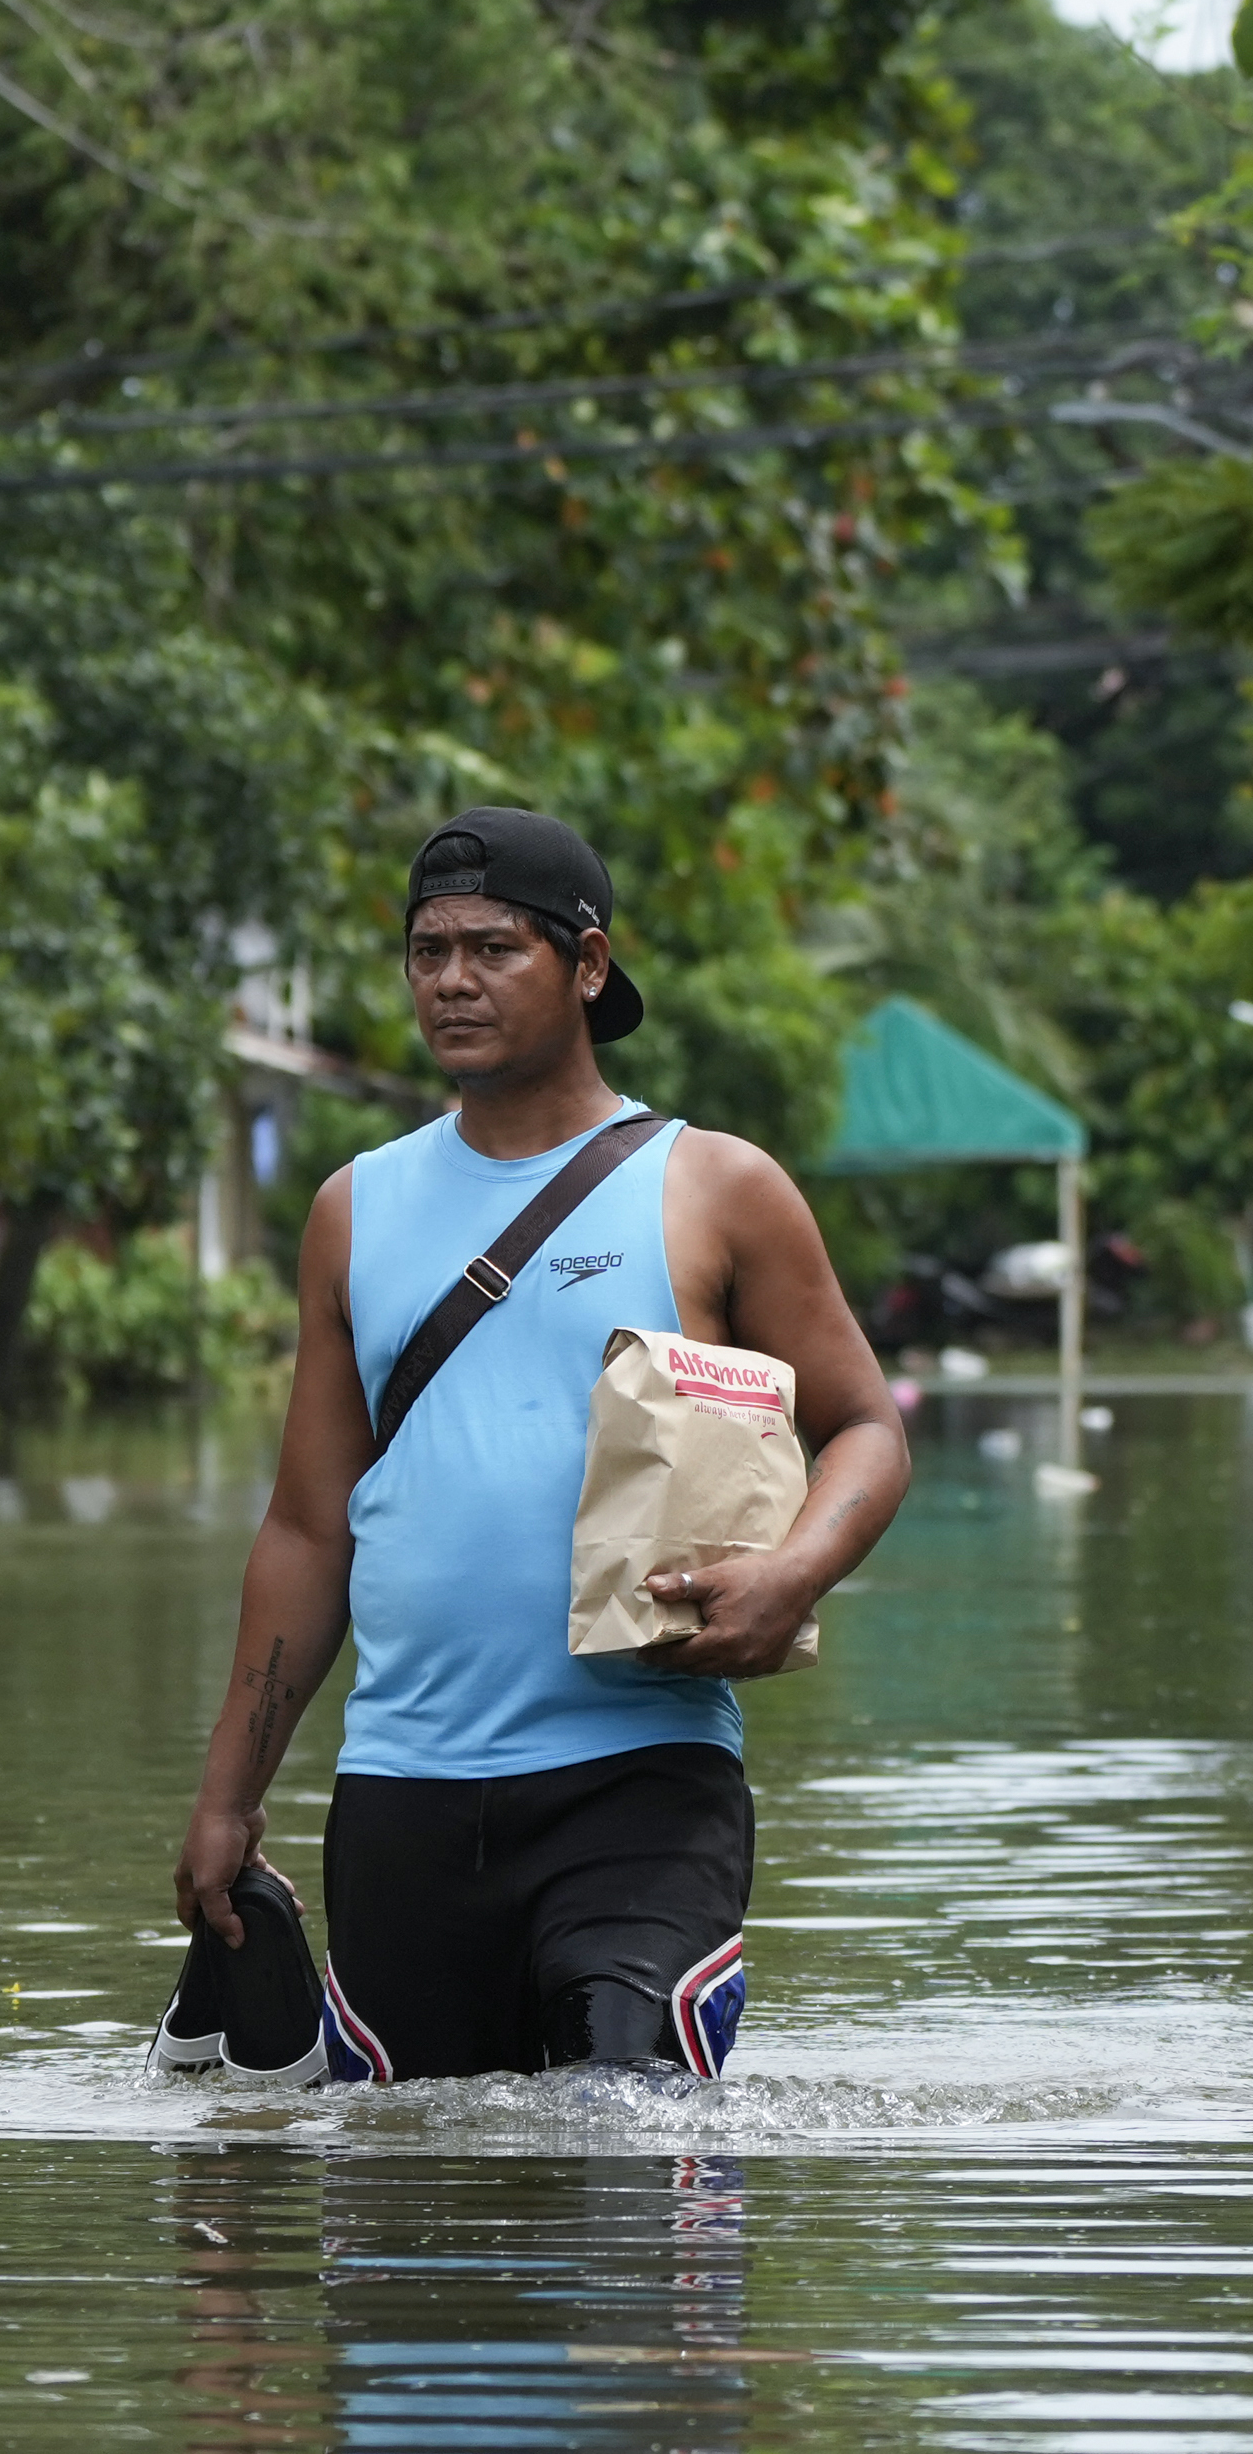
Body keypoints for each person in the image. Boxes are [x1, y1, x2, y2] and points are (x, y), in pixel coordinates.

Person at [167, 806, 911, 2082]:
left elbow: (865, 1430)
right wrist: (228, 1796)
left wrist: (792, 1573)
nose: (450, 980)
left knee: (621, 2137)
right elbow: (304, 1526)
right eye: (425, 950)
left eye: (493, 948)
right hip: (401, 1789)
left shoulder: (713, 1186)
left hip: (639, 1778)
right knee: (412, 2233)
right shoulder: (355, 1208)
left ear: (587, 964)